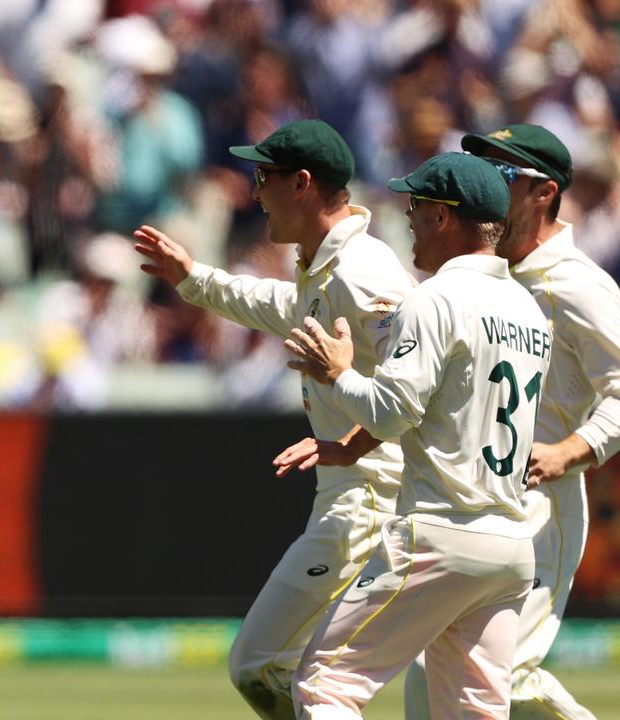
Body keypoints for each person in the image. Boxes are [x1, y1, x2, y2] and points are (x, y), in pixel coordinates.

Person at [132, 119, 412, 719]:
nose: (254, 192)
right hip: (353, 495)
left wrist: (353, 444)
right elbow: (279, 306)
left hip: (371, 502)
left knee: (265, 668)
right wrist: (194, 279)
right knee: (289, 677)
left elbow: (421, 388)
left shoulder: (364, 272)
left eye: (265, 177)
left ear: (303, 184)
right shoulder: (324, 267)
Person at [396, 124, 620, 720]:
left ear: (543, 191)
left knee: (503, 678)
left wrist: (570, 449)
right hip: (473, 504)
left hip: (543, 505)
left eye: (501, 174)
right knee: (434, 678)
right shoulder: (479, 274)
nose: (484, 185)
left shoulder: (578, 283)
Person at [286, 152, 548, 719]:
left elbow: (391, 411)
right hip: (510, 545)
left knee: (321, 688)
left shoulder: (435, 299)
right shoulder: (528, 310)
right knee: (472, 713)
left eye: (416, 205)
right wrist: (348, 447)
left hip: (439, 532)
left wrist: (339, 373)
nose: (406, 216)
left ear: (443, 217)